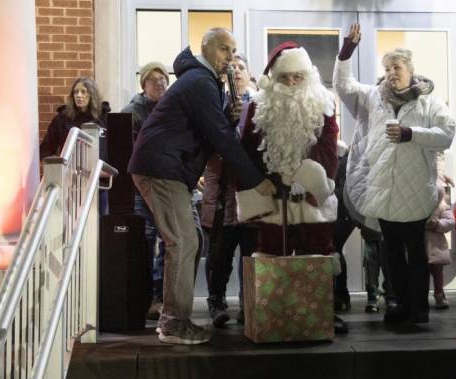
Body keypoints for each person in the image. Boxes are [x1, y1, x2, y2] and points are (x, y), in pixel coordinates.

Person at [128, 28, 275, 345]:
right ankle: (173, 323)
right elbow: (221, 137)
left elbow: (206, 128)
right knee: (183, 242)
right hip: (162, 168)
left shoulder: (204, 83)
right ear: (207, 49)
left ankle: (173, 318)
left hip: (169, 168)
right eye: (224, 50)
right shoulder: (200, 81)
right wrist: (256, 180)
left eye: (233, 51)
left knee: (190, 239)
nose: (230, 58)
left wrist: (224, 114)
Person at [333, 22, 455, 327]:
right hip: (384, 191)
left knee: (415, 253)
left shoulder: (430, 102)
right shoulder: (375, 97)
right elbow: (343, 86)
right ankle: (399, 305)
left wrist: (411, 133)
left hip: (415, 191)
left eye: (396, 67)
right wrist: (347, 50)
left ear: (411, 69)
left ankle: (418, 308)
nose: (391, 73)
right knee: (391, 255)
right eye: (387, 68)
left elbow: (446, 136)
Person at [236, 41, 347, 333]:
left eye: (297, 77)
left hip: (311, 193)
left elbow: (327, 147)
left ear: (307, 75)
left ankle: (321, 309)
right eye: (285, 78)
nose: (292, 83)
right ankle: (272, 310)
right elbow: (248, 149)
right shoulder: (258, 106)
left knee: (319, 250)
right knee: (272, 250)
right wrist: (265, 182)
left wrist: (309, 180)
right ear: (274, 79)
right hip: (273, 194)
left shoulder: (323, 103)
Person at [200, 53, 259, 328]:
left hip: (251, 191)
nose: (236, 70)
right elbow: (206, 142)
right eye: (231, 66)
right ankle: (216, 302)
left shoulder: (261, 104)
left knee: (251, 253)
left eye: (241, 67)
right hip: (223, 189)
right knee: (219, 253)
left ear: (249, 75)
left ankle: (249, 304)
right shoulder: (214, 102)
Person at [122, 61, 170, 320]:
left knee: (167, 240)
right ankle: (143, 297)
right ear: (144, 85)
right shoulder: (132, 112)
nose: (160, 83)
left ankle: (160, 297)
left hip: (166, 185)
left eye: (163, 78)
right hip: (141, 187)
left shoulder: (172, 108)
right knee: (146, 239)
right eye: (153, 80)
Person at [40, 76, 110, 213]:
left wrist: (106, 170)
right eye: (76, 92)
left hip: (98, 182)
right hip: (70, 183)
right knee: (71, 222)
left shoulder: (105, 119)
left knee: (99, 225)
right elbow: (46, 150)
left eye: (84, 92)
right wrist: (62, 168)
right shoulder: (62, 119)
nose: (79, 96)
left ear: (92, 95)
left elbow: (115, 150)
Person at [332, 140, 355, 312]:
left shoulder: (345, 159)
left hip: (342, 212)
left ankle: (340, 295)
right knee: (335, 250)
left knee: (335, 248)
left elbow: (344, 189)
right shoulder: (340, 157)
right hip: (336, 212)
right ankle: (339, 295)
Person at [426, 182, 455, 309]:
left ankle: (439, 294)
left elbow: (450, 222)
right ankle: (418, 296)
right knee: (418, 272)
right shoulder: (418, 207)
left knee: (437, 271)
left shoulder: (442, 206)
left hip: (434, 244)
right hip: (419, 244)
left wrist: (438, 224)